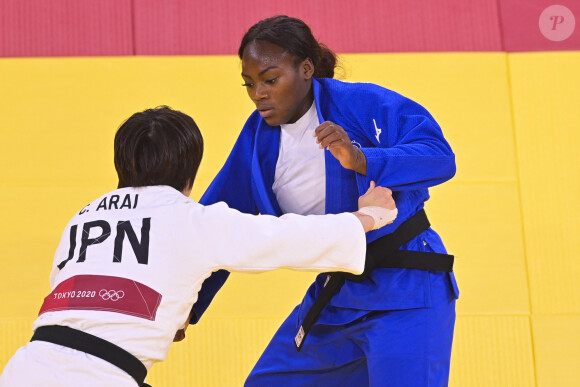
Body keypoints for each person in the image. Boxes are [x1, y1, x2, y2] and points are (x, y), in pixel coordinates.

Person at [0, 106, 398, 387]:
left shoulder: (83, 217)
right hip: (99, 379)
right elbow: (283, 240)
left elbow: (99, 295)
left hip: (23, 370)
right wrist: (366, 218)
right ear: (189, 171)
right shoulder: (189, 218)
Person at [191, 15, 459, 386]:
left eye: (270, 80)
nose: (258, 94)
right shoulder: (257, 138)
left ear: (305, 69)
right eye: (249, 84)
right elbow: (214, 228)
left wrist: (363, 159)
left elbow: (440, 156)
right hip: (338, 296)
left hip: (406, 289)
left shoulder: (362, 103)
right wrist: (186, 305)